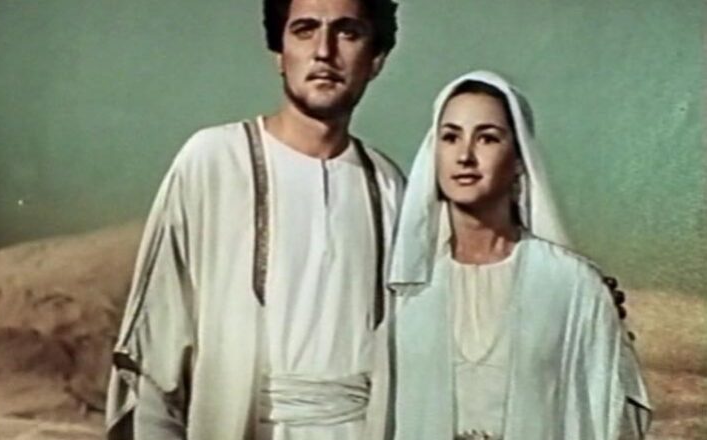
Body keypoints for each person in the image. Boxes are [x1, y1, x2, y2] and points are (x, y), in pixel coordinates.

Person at [105, 0, 403, 439]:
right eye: (304, 30)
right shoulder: (212, 161)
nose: (324, 51)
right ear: (279, 54)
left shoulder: (390, 187)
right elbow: (156, 350)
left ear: (376, 59)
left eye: (347, 32)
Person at [389, 71, 651, 440]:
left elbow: (612, 415)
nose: (464, 156)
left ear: (518, 159)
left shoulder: (572, 286)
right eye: (450, 137)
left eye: (487, 138)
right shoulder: (408, 290)